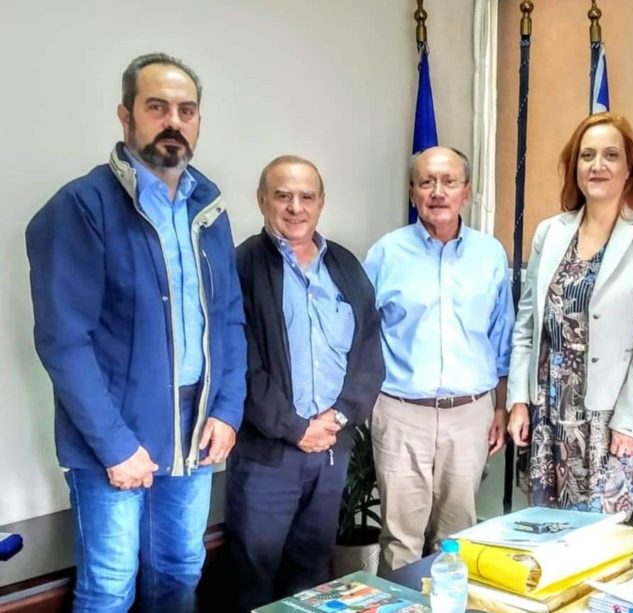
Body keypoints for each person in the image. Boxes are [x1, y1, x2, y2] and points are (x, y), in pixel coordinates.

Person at [25, 52, 246, 612]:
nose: (174, 121)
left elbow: (229, 319)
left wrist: (227, 409)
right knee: (109, 586)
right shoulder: (81, 207)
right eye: (157, 107)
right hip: (114, 435)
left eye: (186, 110)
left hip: (194, 428)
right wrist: (116, 446)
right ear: (125, 116)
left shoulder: (209, 207)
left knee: (180, 569)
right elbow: (64, 342)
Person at [226, 156, 384, 611]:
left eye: (306, 196)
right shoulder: (242, 265)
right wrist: (296, 428)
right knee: (253, 578)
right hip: (266, 456)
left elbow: (368, 352)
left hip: (331, 450)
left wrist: (339, 416)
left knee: (313, 577)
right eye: (283, 196)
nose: (295, 207)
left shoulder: (345, 265)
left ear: (321, 203)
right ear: (262, 200)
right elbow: (240, 362)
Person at [506, 112, 633, 515]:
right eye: (587, 156)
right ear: (575, 167)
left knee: (597, 537)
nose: (597, 165)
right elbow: (527, 325)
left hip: (608, 420)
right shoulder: (550, 232)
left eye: (611, 155)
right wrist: (518, 401)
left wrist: (630, 421)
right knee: (542, 531)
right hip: (547, 413)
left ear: (629, 169)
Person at [364, 146, 515, 573]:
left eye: (449, 182)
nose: (437, 192)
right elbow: (361, 333)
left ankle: (448, 601)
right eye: (426, 182)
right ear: (413, 193)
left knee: (457, 536)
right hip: (400, 411)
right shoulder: (385, 253)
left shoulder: (490, 255)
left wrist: (500, 406)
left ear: (466, 192)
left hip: (470, 414)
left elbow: (502, 337)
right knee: (400, 538)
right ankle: (402, 602)